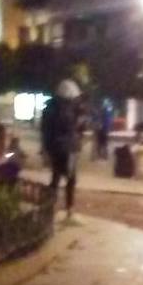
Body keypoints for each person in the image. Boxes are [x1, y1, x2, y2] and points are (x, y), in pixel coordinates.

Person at [41, 78, 83, 217]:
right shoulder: (69, 110)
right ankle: (69, 208)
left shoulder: (49, 107)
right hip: (68, 148)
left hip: (54, 147)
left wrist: (45, 149)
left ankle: (49, 208)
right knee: (70, 179)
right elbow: (72, 129)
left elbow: (45, 129)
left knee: (56, 177)